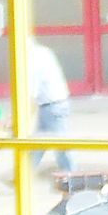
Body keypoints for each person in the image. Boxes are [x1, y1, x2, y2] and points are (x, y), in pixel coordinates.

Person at [28, 40, 72, 173]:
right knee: (40, 142)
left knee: (60, 144)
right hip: (54, 101)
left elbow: (32, 90)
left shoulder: (32, 60)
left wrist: (19, 114)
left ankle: (70, 174)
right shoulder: (43, 51)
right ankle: (24, 173)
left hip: (52, 104)